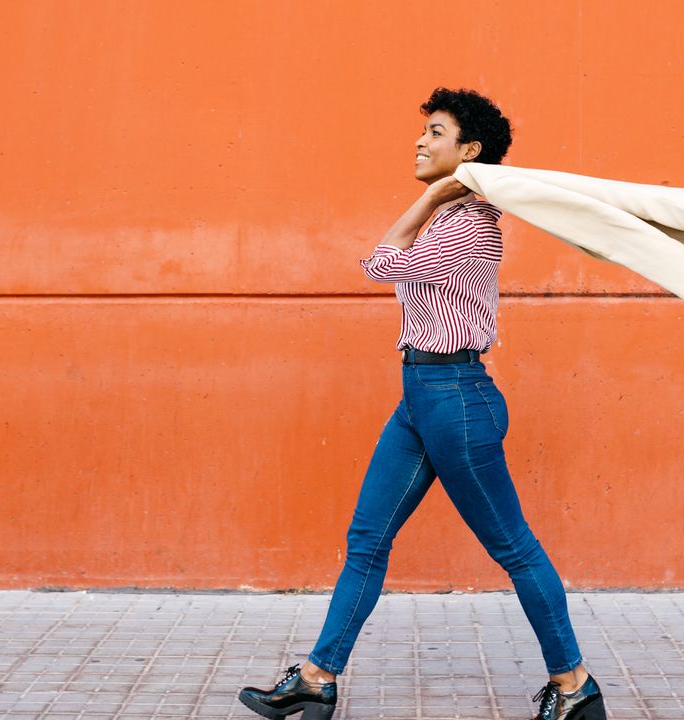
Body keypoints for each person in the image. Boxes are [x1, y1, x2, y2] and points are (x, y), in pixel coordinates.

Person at [237, 87, 607, 720]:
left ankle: (574, 685)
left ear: (470, 151)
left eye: (436, 132)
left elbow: (378, 264)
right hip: (421, 400)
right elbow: (386, 261)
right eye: (424, 131)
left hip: (456, 402)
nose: (419, 140)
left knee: (513, 547)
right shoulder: (451, 220)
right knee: (367, 540)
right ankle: (319, 677)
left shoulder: (464, 224)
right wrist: (432, 199)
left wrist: (431, 196)